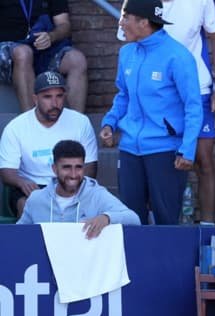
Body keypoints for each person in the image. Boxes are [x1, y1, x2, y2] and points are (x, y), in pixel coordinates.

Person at [100, 0, 201, 226]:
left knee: (167, 220)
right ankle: (134, 262)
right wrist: (110, 123)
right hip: (129, 149)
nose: (121, 22)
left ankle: (171, 262)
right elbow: (123, 95)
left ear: (144, 22)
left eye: (126, 17)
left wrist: (187, 149)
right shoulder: (126, 53)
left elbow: (193, 106)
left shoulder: (178, 56)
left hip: (165, 150)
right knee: (130, 219)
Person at [159, 0, 215, 225]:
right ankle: (164, 228)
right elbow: (129, 42)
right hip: (158, 93)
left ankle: (207, 230)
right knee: (159, 160)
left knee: (203, 160)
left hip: (197, 90)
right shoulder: (139, 3)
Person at [0, 70, 97, 218]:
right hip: (33, 186)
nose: (54, 103)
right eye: (47, 97)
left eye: (59, 96)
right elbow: (7, 172)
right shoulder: (16, 127)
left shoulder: (80, 122)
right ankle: (32, 242)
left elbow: (90, 166)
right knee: (27, 205)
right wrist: (21, 182)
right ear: (35, 99)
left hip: (70, 182)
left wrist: (73, 185)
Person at [17, 139, 139, 236]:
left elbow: (134, 219)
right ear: (54, 169)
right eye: (67, 167)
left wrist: (106, 218)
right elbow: (18, 234)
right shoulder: (36, 199)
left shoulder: (97, 194)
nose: (74, 174)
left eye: (78, 167)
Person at [0, 0, 88, 112]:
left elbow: (64, 25)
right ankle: (31, 125)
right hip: (10, 49)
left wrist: (51, 36)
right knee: (23, 53)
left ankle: (78, 126)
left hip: (45, 50)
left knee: (77, 60)